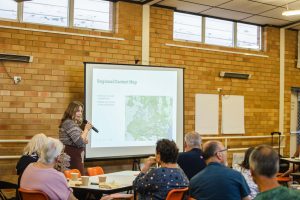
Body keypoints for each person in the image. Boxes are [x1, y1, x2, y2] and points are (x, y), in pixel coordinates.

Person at [59, 101, 92, 174]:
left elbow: (79, 140)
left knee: (78, 181)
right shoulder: (68, 123)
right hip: (71, 157)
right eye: (77, 111)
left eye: (81, 111)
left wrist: (84, 140)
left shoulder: (73, 123)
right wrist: (86, 129)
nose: (80, 113)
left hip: (76, 157)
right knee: (75, 181)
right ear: (71, 111)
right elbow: (79, 142)